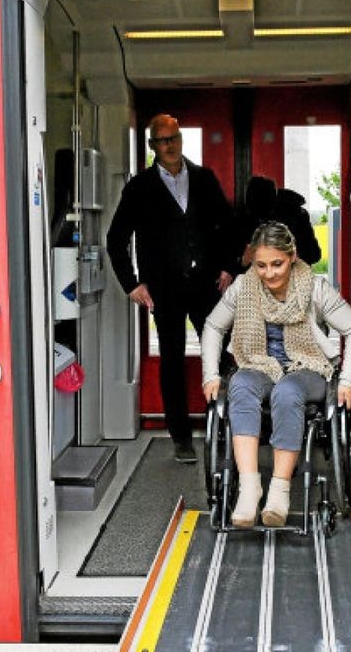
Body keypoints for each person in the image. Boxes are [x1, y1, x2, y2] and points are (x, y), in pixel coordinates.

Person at [200, 222, 351, 527]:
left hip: (308, 368)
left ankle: (279, 491)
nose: (269, 273)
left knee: (287, 391)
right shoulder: (243, 287)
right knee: (241, 384)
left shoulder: (315, 288)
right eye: (261, 265)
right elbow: (213, 326)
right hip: (259, 365)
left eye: (277, 264)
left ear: (292, 257)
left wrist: (348, 380)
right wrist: (210, 375)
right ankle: (250, 489)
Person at [107, 114, 237, 464]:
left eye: (174, 138)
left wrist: (227, 266)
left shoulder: (204, 178)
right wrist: (131, 284)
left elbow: (228, 226)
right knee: (172, 362)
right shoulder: (139, 188)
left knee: (223, 353)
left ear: (181, 140)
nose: (169, 145)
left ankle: (225, 426)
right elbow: (116, 238)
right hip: (164, 288)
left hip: (205, 284)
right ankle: (181, 438)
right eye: (162, 140)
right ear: (152, 146)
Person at [235, 176, 321, 268]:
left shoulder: (296, 216)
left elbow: (314, 255)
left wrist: (292, 255)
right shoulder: (246, 218)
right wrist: (244, 260)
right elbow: (236, 261)